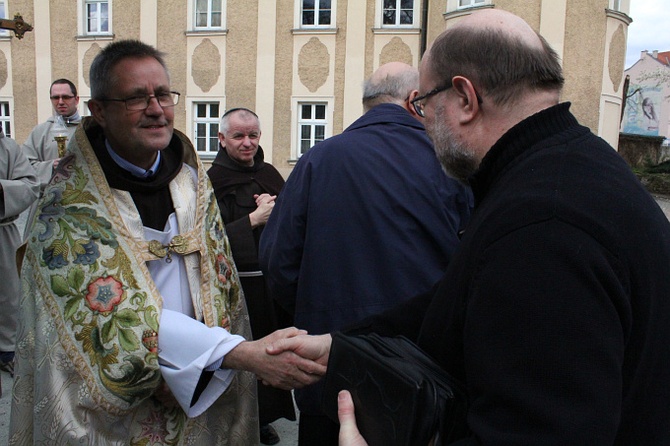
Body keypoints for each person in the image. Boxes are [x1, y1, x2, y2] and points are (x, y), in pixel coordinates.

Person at [270, 9, 670, 445]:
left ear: (464, 98)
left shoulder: (543, 223)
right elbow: (461, 298)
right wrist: (342, 346)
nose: (421, 120)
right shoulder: (567, 167)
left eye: (423, 104)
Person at [10, 39, 323, 445]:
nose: (156, 108)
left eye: (162, 94)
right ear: (99, 111)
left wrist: (202, 365)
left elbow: (221, 286)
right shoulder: (68, 204)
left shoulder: (194, 185)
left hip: (205, 389)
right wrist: (232, 357)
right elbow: (98, 320)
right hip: (114, 413)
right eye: (136, 98)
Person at [260, 61, 473, 445]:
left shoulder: (316, 160)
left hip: (330, 372)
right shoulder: (451, 164)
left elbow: (279, 264)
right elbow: (471, 267)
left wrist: (314, 312)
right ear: (415, 101)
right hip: (422, 378)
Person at [206, 107, 295, 445]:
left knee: (272, 351)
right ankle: (237, 421)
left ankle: (264, 419)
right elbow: (203, 238)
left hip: (270, 283)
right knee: (241, 354)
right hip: (234, 286)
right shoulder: (210, 182)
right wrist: (253, 221)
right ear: (222, 139)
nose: (247, 143)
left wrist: (278, 210)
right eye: (239, 136)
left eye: (253, 136)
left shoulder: (270, 173)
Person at [0, 130, 39, 377]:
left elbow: (30, 184)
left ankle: (7, 351)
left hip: (2, 232)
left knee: (9, 295)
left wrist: (2, 190)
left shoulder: (8, 147)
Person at [21, 78, 82, 238]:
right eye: (55, 98)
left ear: (76, 99)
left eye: (66, 97)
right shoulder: (40, 132)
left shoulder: (89, 130)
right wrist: (50, 167)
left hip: (81, 203)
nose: (60, 102)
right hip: (47, 204)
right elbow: (24, 168)